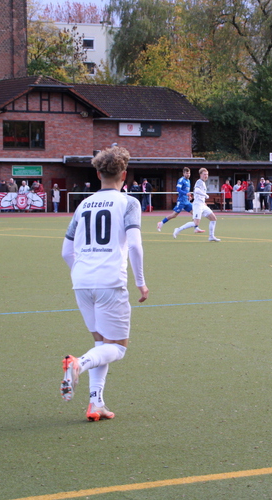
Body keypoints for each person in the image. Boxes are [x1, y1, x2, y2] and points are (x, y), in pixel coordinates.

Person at [60, 145, 149, 422]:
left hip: (81, 282)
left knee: (101, 345)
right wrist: (141, 282)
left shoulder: (83, 204)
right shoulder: (129, 203)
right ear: (124, 174)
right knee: (117, 348)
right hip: (109, 282)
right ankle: (78, 364)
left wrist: (82, 273)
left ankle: (95, 403)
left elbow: (66, 252)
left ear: (98, 174)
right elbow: (135, 245)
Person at [157, 168, 192, 234]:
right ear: (183, 173)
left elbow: (187, 190)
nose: (188, 174)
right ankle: (161, 223)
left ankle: (196, 227)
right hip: (181, 201)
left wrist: (188, 196)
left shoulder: (188, 181)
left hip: (186, 201)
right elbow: (178, 189)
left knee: (195, 213)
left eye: (189, 173)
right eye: (187, 173)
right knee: (174, 215)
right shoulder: (181, 180)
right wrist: (186, 194)